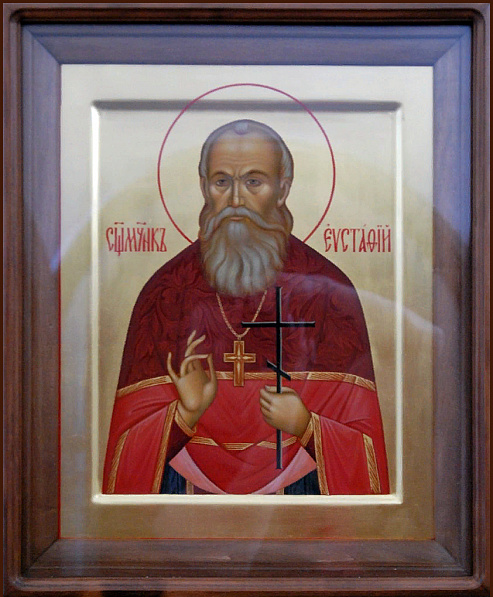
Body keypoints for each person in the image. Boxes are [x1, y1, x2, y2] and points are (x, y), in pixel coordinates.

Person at [103, 119, 389, 495]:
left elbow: (365, 452)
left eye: (254, 181)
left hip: (301, 496)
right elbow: (125, 460)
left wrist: (306, 426)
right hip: (183, 503)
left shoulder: (328, 293)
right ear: (204, 186)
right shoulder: (166, 293)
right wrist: (185, 414)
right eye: (222, 181)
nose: (236, 199)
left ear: (283, 188)